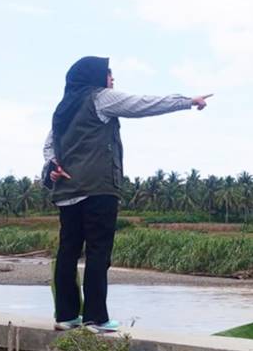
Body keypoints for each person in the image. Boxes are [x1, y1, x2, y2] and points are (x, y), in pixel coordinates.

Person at [43, 56, 211, 333]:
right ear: (95, 78)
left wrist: (52, 166)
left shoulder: (63, 109)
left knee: (68, 251)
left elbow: (49, 146)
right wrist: (187, 101)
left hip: (67, 192)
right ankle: (95, 318)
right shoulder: (100, 98)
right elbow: (142, 104)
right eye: (108, 75)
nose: (112, 81)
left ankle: (66, 315)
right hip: (98, 188)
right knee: (98, 252)